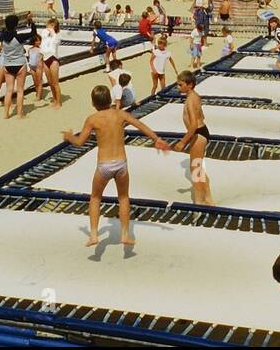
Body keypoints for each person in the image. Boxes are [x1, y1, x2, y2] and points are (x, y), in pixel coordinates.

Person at [60, 85, 170, 246]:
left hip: (104, 164)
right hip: (121, 164)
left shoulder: (92, 119)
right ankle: (125, 235)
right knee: (124, 198)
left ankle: (93, 235)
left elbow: (80, 142)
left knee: (95, 198)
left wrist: (69, 136)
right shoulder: (120, 114)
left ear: (93, 103)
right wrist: (157, 139)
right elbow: (140, 126)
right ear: (110, 100)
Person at [173, 70, 214, 205]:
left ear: (189, 85)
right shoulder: (195, 97)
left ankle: (199, 201)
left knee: (195, 168)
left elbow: (194, 124)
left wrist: (182, 142)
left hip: (198, 133)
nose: (178, 87)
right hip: (200, 132)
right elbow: (202, 116)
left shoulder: (191, 100)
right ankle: (207, 197)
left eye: (180, 85)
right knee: (197, 168)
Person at [0, 14, 32, 120]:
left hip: (7, 64)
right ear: (16, 25)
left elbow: (5, 31)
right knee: (20, 90)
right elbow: (33, 33)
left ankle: (6, 114)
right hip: (20, 64)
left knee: (8, 91)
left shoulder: (2, 37)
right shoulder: (19, 37)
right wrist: (31, 22)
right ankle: (19, 114)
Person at [40, 19, 62, 109]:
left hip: (53, 59)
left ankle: (59, 102)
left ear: (53, 25)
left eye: (48, 25)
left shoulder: (57, 35)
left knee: (55, 82)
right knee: (50, 83)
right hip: (45, 59)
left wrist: (52, 31)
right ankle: (55, 99)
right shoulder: (45, 34)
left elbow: (55, 42)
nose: (46, 26)